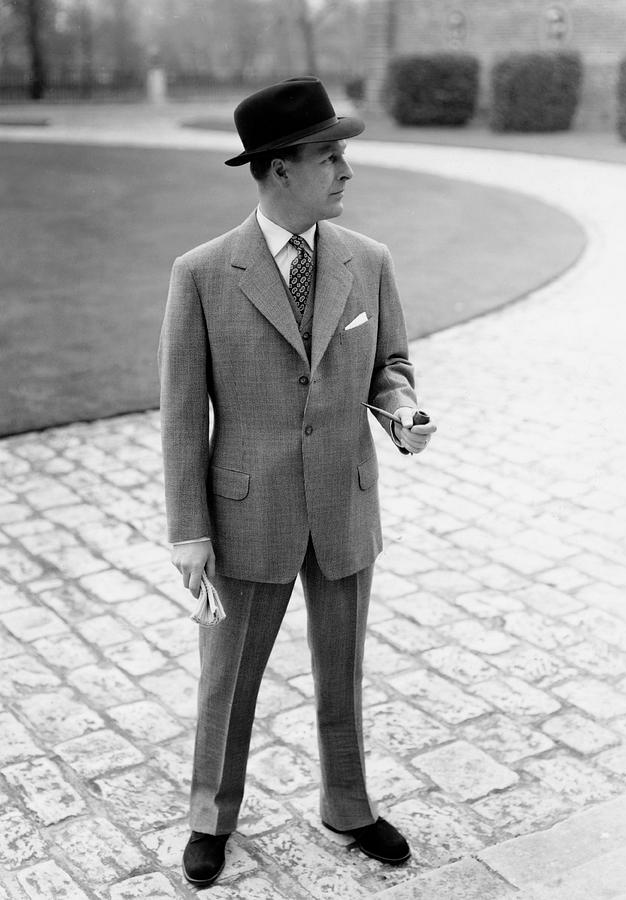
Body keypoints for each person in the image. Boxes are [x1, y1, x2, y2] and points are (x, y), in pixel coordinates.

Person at [158, 75, 436, 888]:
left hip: (345, 503)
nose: (347, 170)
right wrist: (189, 533)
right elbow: (181, 417)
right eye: (331, 156)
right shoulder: (203, 274)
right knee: (228, 677)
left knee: (342, 667)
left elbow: (390, 365)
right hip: (247, 513)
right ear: (281, 168)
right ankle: (212, 816)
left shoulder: (369, 261)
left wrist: (404, 409)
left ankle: (347, 805)